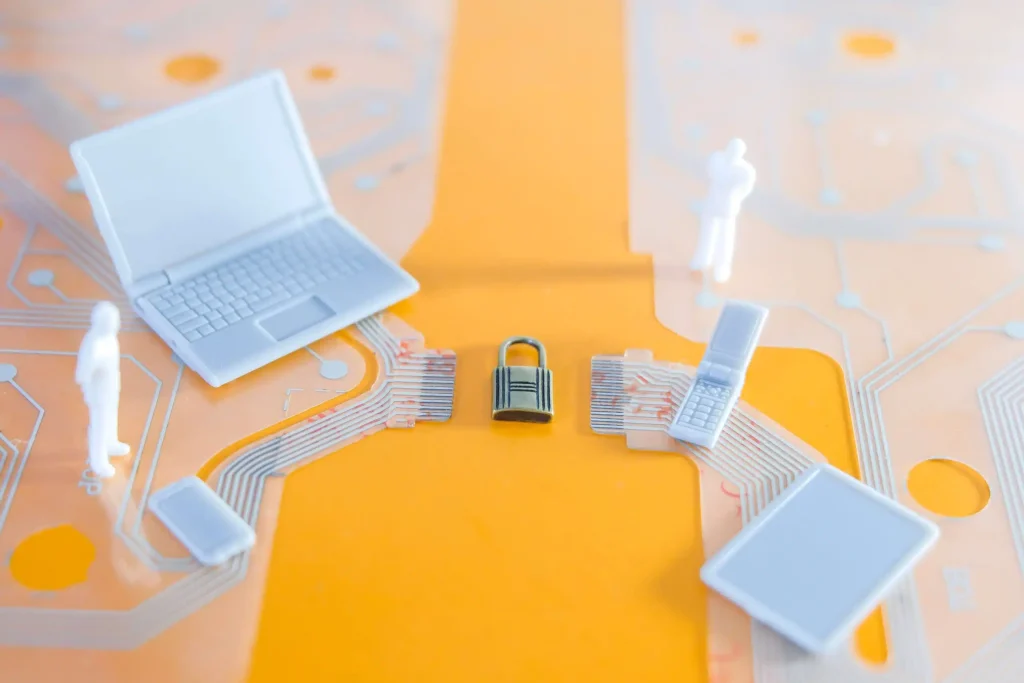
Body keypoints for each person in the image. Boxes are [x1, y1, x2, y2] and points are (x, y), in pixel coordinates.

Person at [689, 138, 756, 283]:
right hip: (712, 203)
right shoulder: (716, 159)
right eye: (731, 149)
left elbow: (746, 189)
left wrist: (735, 199)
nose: (733, 153)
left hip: (728, 208)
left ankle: (722, 267)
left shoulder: (745, 171)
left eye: (736, 151)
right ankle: (702, 260)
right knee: (707, 233)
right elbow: (712, 174)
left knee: (725, 238)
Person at [76, 301, 130, 478]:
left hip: (111, 386)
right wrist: (90, 390)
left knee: (111, 417)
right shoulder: (94, 343)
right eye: (112, 321)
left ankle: (111, 443)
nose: (117, 324)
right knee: (99, 425)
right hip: (98, 393)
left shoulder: (110, 338)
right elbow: (83, 373)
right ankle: (98, 461)